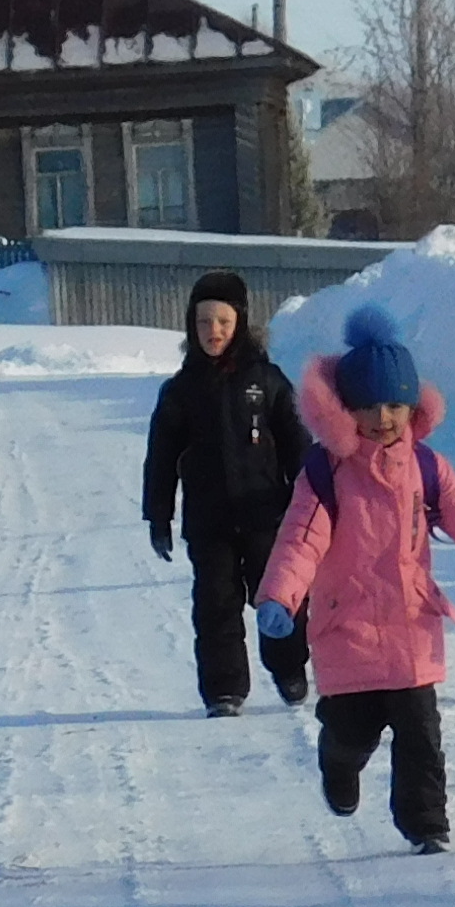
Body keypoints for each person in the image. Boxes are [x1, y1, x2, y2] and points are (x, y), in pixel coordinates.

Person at [256, 302, 455, 853]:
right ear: (346, 408)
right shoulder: (327, 474)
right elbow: (301, 542)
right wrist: (279, 596)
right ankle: (337, 762)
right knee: (353, 733)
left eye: (396, 403)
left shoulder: (426, 469)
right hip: (346, 632)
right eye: (369, 405)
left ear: (412, 404)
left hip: (411, 627)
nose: (384, 417)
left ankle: (427, 825)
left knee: (422, 735)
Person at [142, 269, 310, 717]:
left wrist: (314, 502)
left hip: (265, 516)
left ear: (240, 323)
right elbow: (161, 458)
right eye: (202, 323)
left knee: (279, 596)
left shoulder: (268, 380)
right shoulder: (180, 390)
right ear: (189, 327)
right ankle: (223, 689)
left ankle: (290, 667)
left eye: (222, 321)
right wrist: (158, 516)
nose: (212, 331)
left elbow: (298, 445)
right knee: (215, 605)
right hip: (208, 521)